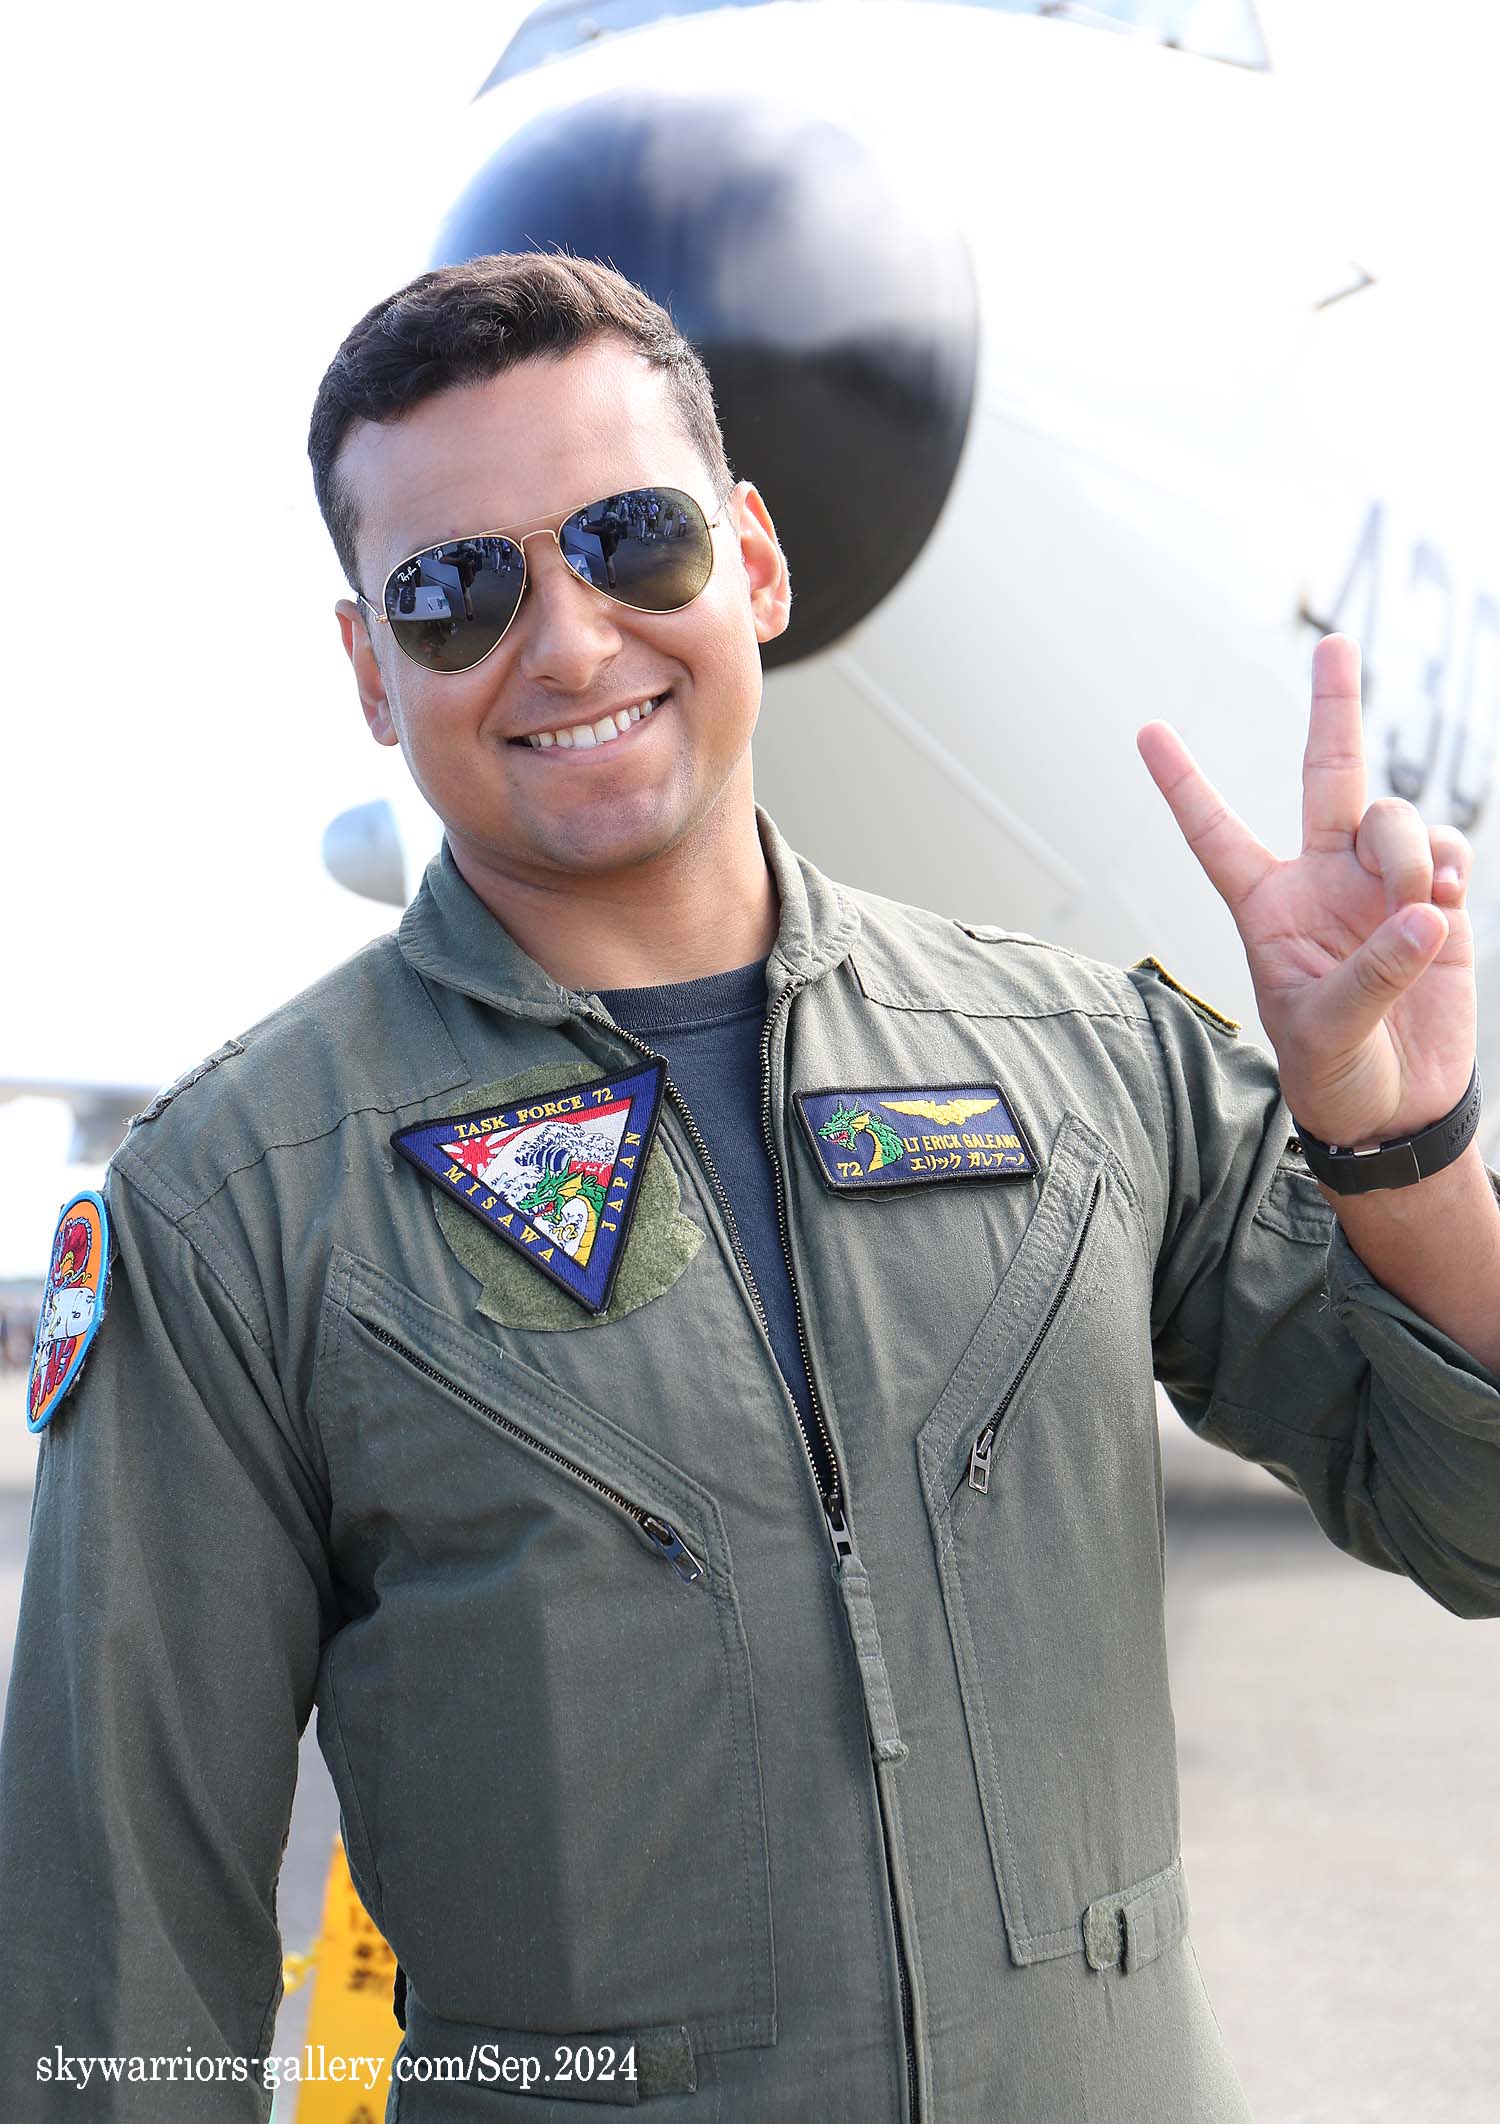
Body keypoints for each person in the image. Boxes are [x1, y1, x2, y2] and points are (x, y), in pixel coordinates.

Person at [2, 251, 1499, 2124]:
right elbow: (114, 1970)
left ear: (758, 562)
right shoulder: (234, 1206)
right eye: (455, 592)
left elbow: (1477, 1522)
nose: (566, 644)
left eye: (632, 539)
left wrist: (1404, 1151)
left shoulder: (1086, 1064)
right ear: (373, 673)